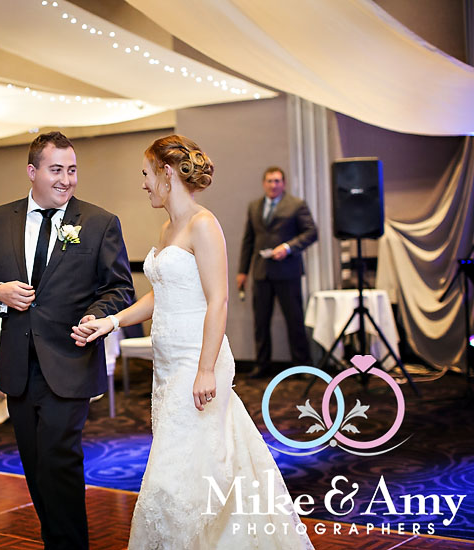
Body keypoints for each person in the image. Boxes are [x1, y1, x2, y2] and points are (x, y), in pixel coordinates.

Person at [75, 135, 313, 549]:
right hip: (167, 366)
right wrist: (111, 321)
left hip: (196, 361)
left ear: (166, 173)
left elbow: (218, 300)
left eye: (146, 174)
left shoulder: (204, 224)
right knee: (195, 464)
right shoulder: (168, 227)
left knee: (175, 475)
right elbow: (160, 294)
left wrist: (205, 370)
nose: (143, 184)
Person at [0, 131, 134, 549]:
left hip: (70, 359)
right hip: (19, 365)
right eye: (56, 169)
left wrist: (97, 315)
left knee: (59, 461)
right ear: (32, 171)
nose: (66, 180)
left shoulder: (99, 222)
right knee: (36, 466)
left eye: (72, 170)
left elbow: (119, 288)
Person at [236, 166, 318, 378]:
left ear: (284, 183)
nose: (273, 185)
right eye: (270, 181)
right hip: (261, 272)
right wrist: (242, 271)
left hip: (288, 272)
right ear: (264, 183)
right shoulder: (254, 206)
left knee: (295, 320)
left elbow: (312, 232)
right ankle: (262, 365)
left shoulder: (296, 204)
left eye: (277, 181)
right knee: (260, 322)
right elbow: (248, 240)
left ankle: (303, 366)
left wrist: (288, 247)